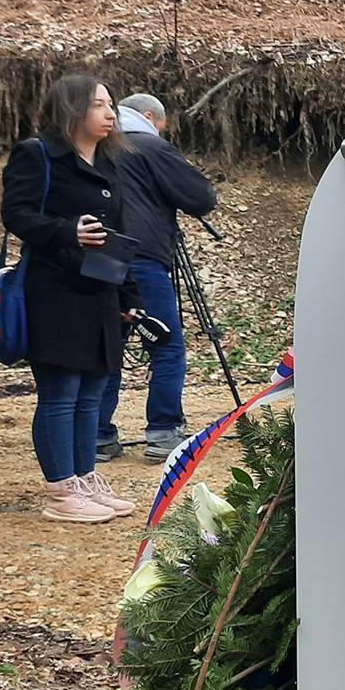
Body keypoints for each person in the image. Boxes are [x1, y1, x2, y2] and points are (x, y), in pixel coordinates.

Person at [1, 75, 140, 524]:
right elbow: (16, 214)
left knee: (92, 393)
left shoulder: (109, 163)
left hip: (101, 291)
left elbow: (119, 235)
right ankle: (61, 492)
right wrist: (67, 231)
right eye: (99, 104)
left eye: (112, 104)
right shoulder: (38, 153)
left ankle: (85, 478)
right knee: (61, 393)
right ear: (72, 108)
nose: (111, 113)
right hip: (55, 290)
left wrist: (128, 293)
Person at [97, 94, 217, 462]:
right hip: (145, 257)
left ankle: (97, 435)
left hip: (99, 259)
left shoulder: (97, 147)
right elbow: (200, 197)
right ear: (150, 117)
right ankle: (164, 432)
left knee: (106, 346)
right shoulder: (150, 145)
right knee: (166, 345)